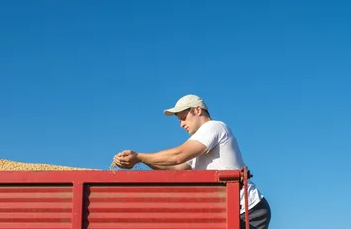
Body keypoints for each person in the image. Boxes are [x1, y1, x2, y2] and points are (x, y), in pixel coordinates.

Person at [113, 94, 271, 229]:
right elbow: (176, 167)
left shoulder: (214, 127)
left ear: (197, 110)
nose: (181, 124)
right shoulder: (200, 146)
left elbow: (178, 155)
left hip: (248, 210)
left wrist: (139, 157)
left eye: (183, 118)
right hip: (231, 210)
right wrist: (141, 161)